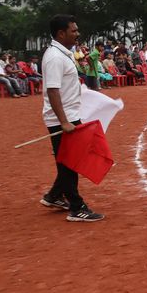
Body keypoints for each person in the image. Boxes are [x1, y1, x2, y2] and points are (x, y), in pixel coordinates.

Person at [40, 15, 104, 221]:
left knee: (68, 161)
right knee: (69, 163)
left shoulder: (63, 54)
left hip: (69, 115)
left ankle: (54, 195)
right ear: (61, 33)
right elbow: (52, 91)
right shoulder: (55, 58)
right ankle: (77, 207)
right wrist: (64, 121)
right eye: (74, 30)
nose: (77, 34)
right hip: (63, 119)